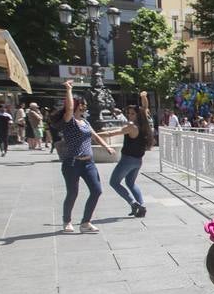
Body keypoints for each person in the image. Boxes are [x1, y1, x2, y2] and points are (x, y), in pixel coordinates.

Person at [52, 80, 115, 233]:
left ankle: (85, 222)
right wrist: (68, 89)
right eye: (83, 104)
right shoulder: (70, 121)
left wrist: (107, 147)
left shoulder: (85, 122)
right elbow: (69, 109)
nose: (85, 106)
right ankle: (67, 221)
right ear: (77, 105)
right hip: (72, 163)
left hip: (89, 163)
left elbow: (95, 136)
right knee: (72, 193)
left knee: (96, 190)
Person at [110, 91, 153, 218]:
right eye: (128, 113)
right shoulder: (143, 123)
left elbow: (113, 133)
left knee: (114, 182)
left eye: (132, 113)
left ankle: (134, 203)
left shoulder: (132, 126)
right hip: (138, 160)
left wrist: (96, 135)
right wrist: (144, 97)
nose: (129, 115)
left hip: (127, 160)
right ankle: (141, 206)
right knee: (130, 183)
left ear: (137, 115)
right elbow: (145, 108)